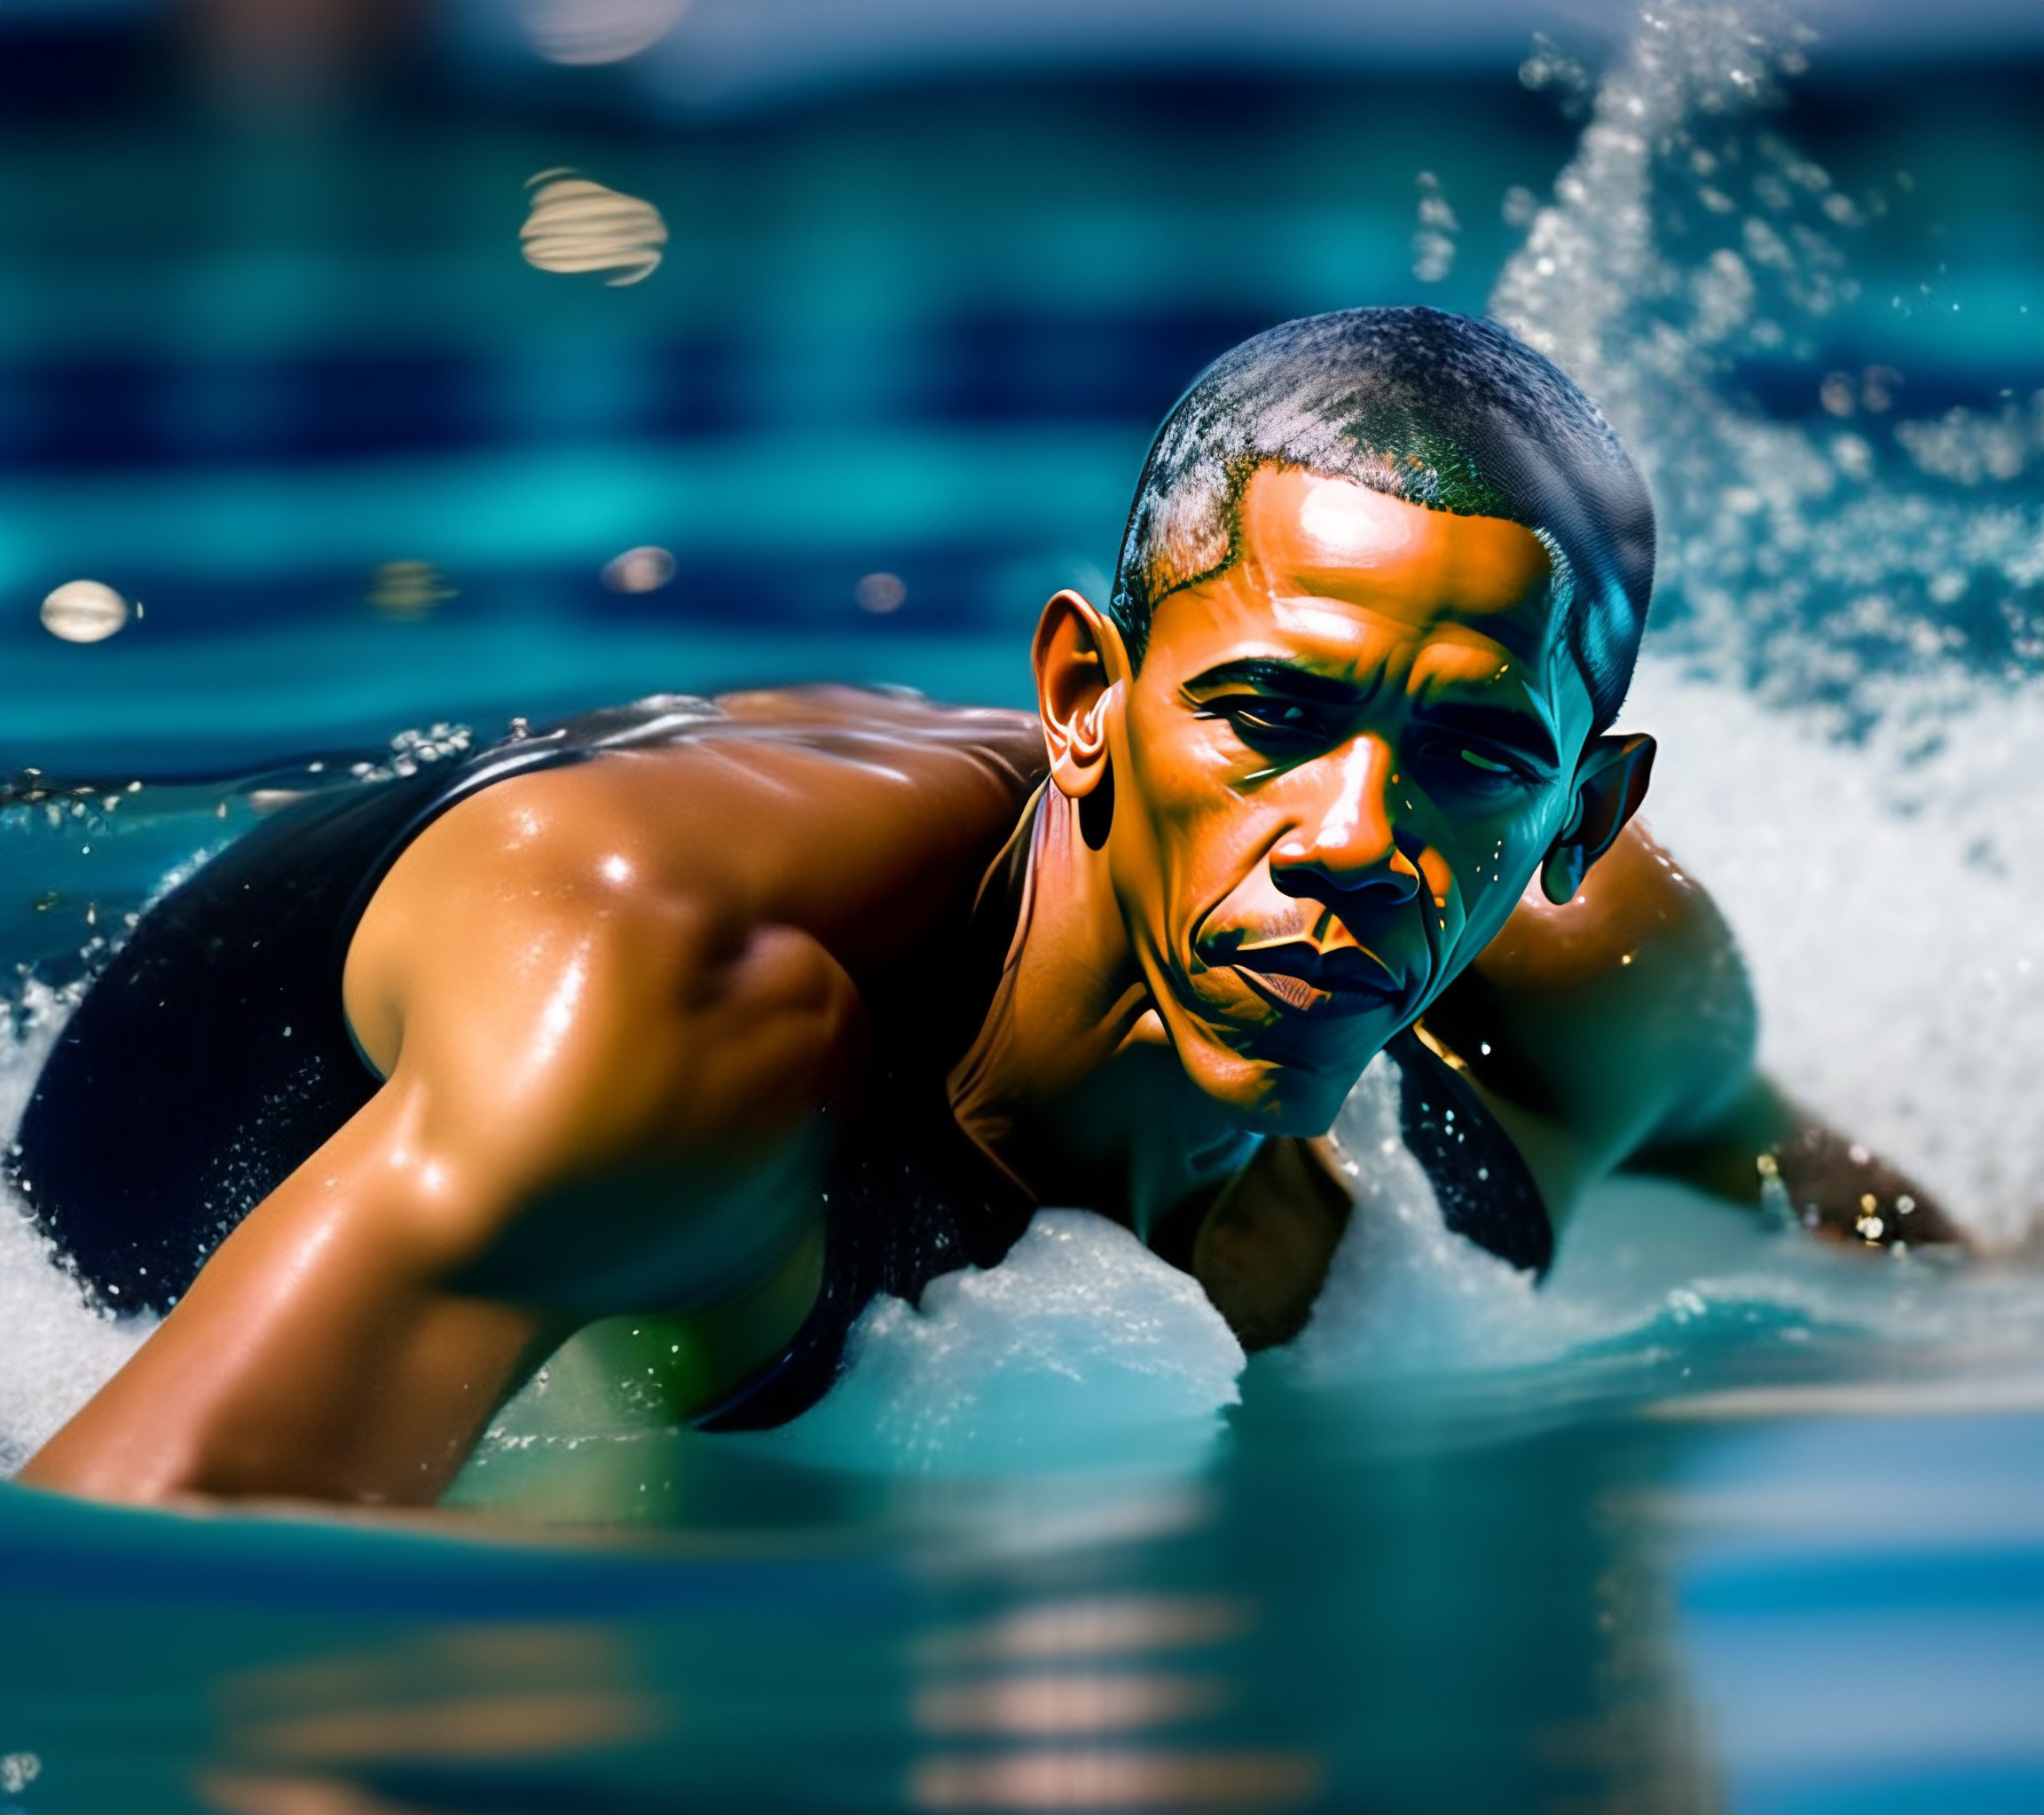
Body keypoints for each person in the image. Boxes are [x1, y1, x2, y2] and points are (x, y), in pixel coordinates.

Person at [11, 307, 1949, 1507]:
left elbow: (1883, 1244)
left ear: (1583, 815)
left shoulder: (1587, 997)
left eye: (1475, 754)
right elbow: (140, 1587)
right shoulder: (689, 1029)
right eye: (1270, 717)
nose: (1357, 834)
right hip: (142, 1186)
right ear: (1087, 698)